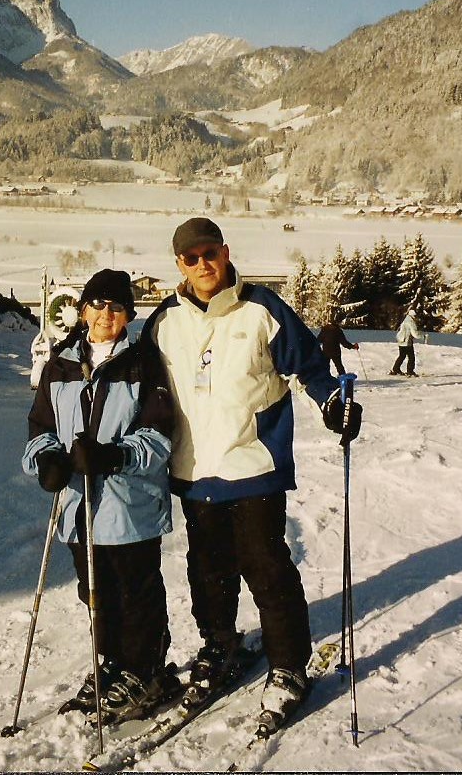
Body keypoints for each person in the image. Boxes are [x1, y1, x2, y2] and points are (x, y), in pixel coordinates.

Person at [142, 218, 362, 728]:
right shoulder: (164, 321)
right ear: (179, 265)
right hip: (194, 469)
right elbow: (141, 384)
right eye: (191, 258)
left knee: (266, 566)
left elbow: (309, 367)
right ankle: (220, 646)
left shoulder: (262, 308)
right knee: (207, 569)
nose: (203, 264)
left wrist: (333, 402)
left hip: (253, 464)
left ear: (225, 252)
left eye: (210, 253)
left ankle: (288, 665)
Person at [22, 268, 180, 724]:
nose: (105, 313)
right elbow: (40, 427)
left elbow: (158, 434)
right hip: (79, 507)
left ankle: (145, 670)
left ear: (128, 314)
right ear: (83, 310)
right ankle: (111, 663)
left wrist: (114, 456)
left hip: (130, 505)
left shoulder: (143, 363)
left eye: (116, 306)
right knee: (95, 593)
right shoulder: (61, 364)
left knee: (135, 592)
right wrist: (46, 460)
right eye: (97, 304)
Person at [390, 308, 424, 377]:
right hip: (406, 342)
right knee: (411, 357)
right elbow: (415, 334)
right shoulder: (411, 322)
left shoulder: (405, 320)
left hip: (401, 341)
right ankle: (410, 371)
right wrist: (423, 337)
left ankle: (395, 369)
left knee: (402, 356)